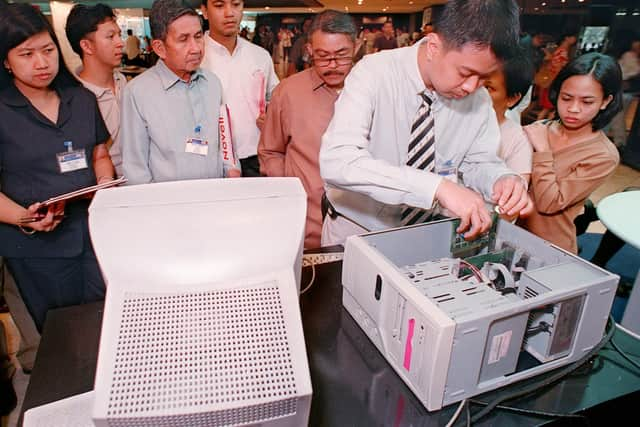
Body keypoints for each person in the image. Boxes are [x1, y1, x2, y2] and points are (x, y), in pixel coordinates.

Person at [319, 0, 532, 246]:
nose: (471, 87)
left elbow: (478, 162)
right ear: (433, 46)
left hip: (427, 233)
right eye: (465, 73)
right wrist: (436, 188)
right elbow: (338, 161)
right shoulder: (375, 73)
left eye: (484, 78)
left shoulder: (479, 100)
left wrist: (501, 178)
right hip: (357, 229)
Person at [0, 3, 114, 331]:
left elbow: (99, 154)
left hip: (91, 234)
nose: (41, 63)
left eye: (48, 50)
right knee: (62, 336)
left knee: (103, 323)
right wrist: (26, 217)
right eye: (26, 54)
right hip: (36, 249)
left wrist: (104, 184)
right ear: (5, 61)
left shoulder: (80, 99)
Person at [258, 10, 357, 249]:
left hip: (362, 225)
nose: (332, 65)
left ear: (357, 45)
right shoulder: (289, 92)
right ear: (310, 50)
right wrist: (288, 195)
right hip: (305, 226)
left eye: (342, 55)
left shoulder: (373, 88)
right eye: (323, 56)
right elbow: (271, 151)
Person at [520, 53, 622, 254]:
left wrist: (543, 151)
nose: (573, 109)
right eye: (566, 98)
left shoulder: (603, 155)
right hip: (508, 234)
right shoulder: (541, 128)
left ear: (605, 101)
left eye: (587, 102)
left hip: (548, 249)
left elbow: (549, 203)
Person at [121, 0, 224, 184]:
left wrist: (231, 170)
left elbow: (224, 141)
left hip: (214, 197)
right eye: (183, 39)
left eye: (198, 36)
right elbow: (135, 168)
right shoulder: (137, 92)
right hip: (167, 205)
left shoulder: (213, 83)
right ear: (160, 48)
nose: (196, 48)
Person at [200, 0, 279, 177]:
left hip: (256, 157)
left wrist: (273, 118)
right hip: (212, 159)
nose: (230, 13)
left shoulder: (260, 55)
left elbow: (276, 99)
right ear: (204, 11)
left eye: (236, 4)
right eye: (219, 6)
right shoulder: (195, 56)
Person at [65, 3, 126, 177]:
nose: (120, 43)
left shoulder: (122, 81)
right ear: (87, 46)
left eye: (119, 35)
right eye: (110, 36)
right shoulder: (73, 98)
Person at [484, 47, 534, 185]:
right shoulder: (454, 118)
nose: (474, 90)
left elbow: (515, 194)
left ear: (512, 98)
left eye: (488, 88)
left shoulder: (517, 141)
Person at [536, 33, 577, 120]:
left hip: (549, 81)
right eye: (573, 36)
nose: (575, 39)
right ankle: (541, 126)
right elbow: (559, 69)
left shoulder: (557, 49)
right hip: (553, 83)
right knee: (549, 109)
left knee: (547, 109)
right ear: (567, 38)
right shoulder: (563, 52)